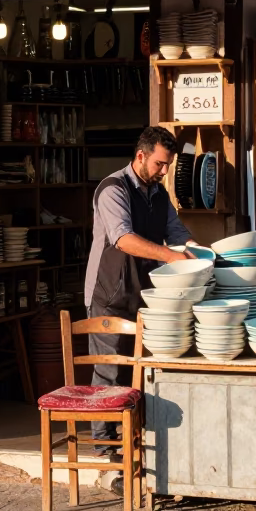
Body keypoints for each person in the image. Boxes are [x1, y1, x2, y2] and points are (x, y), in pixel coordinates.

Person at [83, 125, 198, 472]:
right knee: (109, 373)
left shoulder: (159, 195)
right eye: (160, 164)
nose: (164, 172)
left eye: (168, 166)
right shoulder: (112, 189)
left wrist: (201, 254)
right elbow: (123, 239)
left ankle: (135, 448)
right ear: (140, 156)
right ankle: (105, 455)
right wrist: (173, 257)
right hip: (109, 294)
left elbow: (178, 234)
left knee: (142, 373)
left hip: (145, 294)